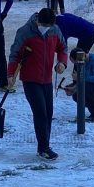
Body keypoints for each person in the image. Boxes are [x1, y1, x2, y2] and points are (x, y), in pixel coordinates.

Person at [7, 9, 67, 160]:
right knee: (40, 111)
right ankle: (43, 148)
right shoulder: (25, 32)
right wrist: (10, 74)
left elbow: (63, 48)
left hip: (47, 79)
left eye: (49, 25)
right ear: (37, 21)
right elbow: (14, 54)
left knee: (48, 113)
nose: (46, 28)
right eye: (43, 25)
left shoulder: (55, 29)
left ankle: (45, 144)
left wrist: (62, 63)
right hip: (30, 78)